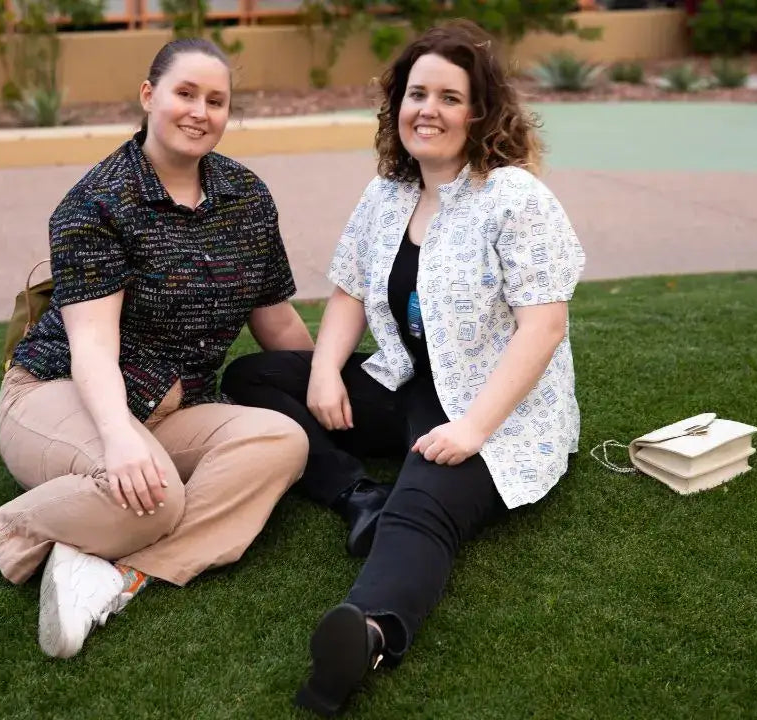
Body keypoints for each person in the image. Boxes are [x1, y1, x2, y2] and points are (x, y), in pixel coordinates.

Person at [0, 37, 314, 659]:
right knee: (155, 496)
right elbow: (91, 346)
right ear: (148, 95)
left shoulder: (246, 198)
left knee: (280, 441)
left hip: (176, 407)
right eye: (184, 93)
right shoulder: (96, 202)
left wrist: (330, 383)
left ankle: (117, 571)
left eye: (216, 100)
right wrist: (119, 438)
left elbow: (276, 322)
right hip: (60, 392)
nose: (200, 111)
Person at [220, 20, 586, 715]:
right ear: (397, 106)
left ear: (479, 111)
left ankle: (369, 632)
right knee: (255, 378)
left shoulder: (514, 198)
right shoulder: (387, 192)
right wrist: (326, 370)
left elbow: (544, 329)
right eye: (417, 93)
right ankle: (356, 495)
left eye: (450, 96)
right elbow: (351, 290)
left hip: (489, 406)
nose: (429, 110)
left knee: (422, 508)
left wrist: (474, 430)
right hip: (402, 380)